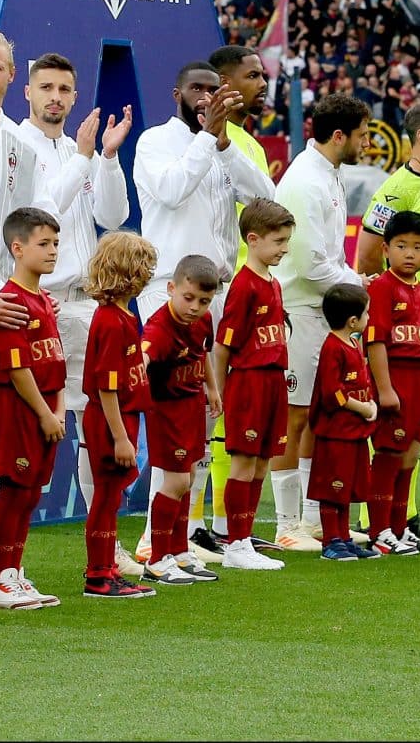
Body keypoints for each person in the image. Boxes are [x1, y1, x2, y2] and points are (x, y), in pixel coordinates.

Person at [134, 61, 276, 559]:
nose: (206, 96)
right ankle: (155, 542)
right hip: (166, 292)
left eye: (214, 90)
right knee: (175, 421)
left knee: (198, 428)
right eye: (197, 88)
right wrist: (204, 138)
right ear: (176, 92)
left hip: (211, 295)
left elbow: (266, 198)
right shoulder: (155, 142)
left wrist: (222, 142)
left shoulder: (220, 146)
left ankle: (182, 538)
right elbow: (171, 192)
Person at [18, 53, 132, 537]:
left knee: (97, 424)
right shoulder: (16, 146)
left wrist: (105, 158)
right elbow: (40, 213)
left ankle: (101, 534)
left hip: (88, 301)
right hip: (44, 299)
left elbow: (113, 215)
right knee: (30, 422)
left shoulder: (78, 148)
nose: (55, 97)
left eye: (64, 89)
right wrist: (85, 157)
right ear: (28, 92)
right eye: (46, 87)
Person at [353, 97, 420, 543]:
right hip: (396, 330)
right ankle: (374, 521)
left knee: (414, 433)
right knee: (390, 435)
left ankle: (404, 517)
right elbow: (366, 254)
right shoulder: (398, 188)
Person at [269, 92, 370, 550]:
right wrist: (356, 283)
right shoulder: (305, 182)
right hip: (298, 309)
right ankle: (286, 525)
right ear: (338, 136)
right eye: (363, 135)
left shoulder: (329, 174)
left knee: (313, 415)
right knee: (293, 417)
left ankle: (311, 516)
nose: (367, 143)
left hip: (319, 309)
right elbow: (310, 263)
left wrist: (349, 278)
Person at [0, 207, 69, 609]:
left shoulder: (43, 300)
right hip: (20, 408)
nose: (53, 251)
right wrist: (45, 413)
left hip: (47, 407)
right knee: (14, 492)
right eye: (43, 244)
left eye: (55, 243)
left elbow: (55, 360)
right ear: (17, 248)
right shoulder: (10, 302)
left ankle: (14, 571)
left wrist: (60, 407)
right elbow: (18, 368)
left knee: (31, 494)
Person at [209, 199, 296, 570]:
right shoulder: (244, 285)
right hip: (249, 383)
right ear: (253, 239)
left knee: (261, 464)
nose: (284, 249)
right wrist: (221, 392)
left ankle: (244, 539)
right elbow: (223, 346)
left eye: (287, 241)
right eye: (278, 241)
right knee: (243, 465)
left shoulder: (272, 283)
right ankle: (235, 544)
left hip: (274, 382)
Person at [79, 232, 159, 599]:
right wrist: (121, 437)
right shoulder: (112, 321)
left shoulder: (123, 316)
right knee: (106, 497)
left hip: (122, 416)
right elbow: (106, 386)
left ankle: (107, 567)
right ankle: (98, 574)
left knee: (112, 497)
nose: (148, 274)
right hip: (111, 419)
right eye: (144, 267)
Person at [363, 211, 420, 555]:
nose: (409, 254)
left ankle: (399, 530)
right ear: (385, 249)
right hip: (396, 379)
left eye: (417, 247)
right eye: (401, 246)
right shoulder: (382, 288)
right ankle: (379, 530)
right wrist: (384, 389)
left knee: (410, 454)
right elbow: (376, 343)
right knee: (388, 452)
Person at [140, 256, 225, 585]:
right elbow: (144, 357)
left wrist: (212, 388)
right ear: (171, 288)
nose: (195, 307)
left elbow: (203, 353)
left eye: (203, 301)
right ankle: (157, 557)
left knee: (188, 479)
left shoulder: (203, 321)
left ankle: (178, 551)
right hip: (167, 411)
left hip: (191, 405)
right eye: (188, 298)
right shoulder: (160, 328)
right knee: (175, 483)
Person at [309, 283, 381, 562]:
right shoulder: (332, 348)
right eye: (366, 314)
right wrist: (362, 407)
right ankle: (331, 541)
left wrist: (370, 403)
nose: (369, 318)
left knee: (349, 485)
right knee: (333, 488)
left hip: (354, 433)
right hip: (335, 433)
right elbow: (332, 393)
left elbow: (360, 381)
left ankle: (345, 537)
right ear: (353, 321)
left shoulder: (353, 343)